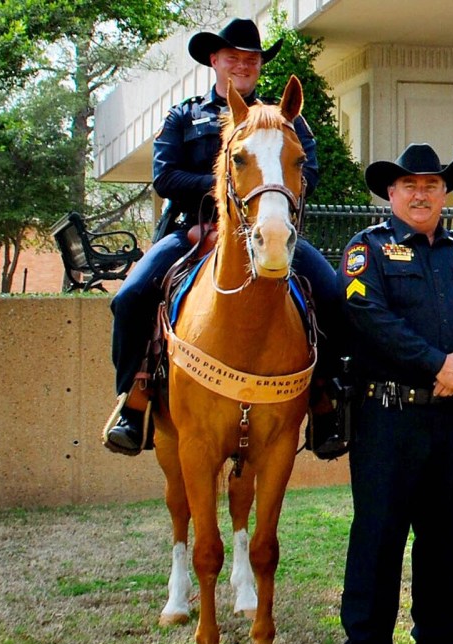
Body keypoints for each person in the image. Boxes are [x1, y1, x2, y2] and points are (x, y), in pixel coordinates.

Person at [104, 18, 346, 455]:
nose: (242, 65)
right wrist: (223, 190)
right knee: (132, 296)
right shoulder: (184, 115)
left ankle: (324, 399)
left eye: (250, 59)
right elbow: (165, 177)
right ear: (214, 61)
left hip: (265, 230)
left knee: (331, 293)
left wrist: (260, 191)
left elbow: (307, 170)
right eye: (233, 57)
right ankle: (133, 402)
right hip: (192, 231)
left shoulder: (281, 119)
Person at [337, 144, 453, 644]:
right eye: (409, 185)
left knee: (442, 534)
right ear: (391, 193)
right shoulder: (368, 249)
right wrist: (438, 363)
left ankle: (439, 642)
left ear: (444, 193)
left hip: (452, 417)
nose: (420, 193)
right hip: (388, 418)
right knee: (379, 534)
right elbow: (367, 315)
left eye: (431, 185)